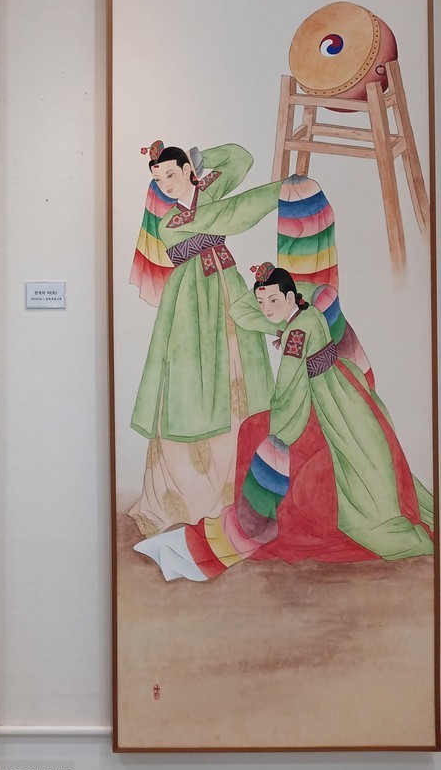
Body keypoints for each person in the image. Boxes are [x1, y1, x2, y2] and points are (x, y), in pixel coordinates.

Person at [134, 262, 434, 581]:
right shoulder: (311, 314)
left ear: (292, 298)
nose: (266, 309)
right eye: (261, 302)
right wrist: (278, 301)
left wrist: (278, 433)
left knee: (256, 433)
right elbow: (244, 310)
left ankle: (251, 529)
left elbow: (289, 389)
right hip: (345, 391)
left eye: (274, 300)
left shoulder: (297, 334)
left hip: (324, 403)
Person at [128, 142, 287, 533]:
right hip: (191, 305)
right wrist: (269, 194)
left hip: (229, 292)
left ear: (187, 169)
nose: (165, 184)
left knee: (243, 378)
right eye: (158, 179)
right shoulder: (169, 223)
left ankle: (244, 488)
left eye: (171, 173)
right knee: (195, 386)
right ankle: (193, 496)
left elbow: (242, 158)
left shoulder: (208, 188)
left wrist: (203, 160)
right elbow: (226, 216)